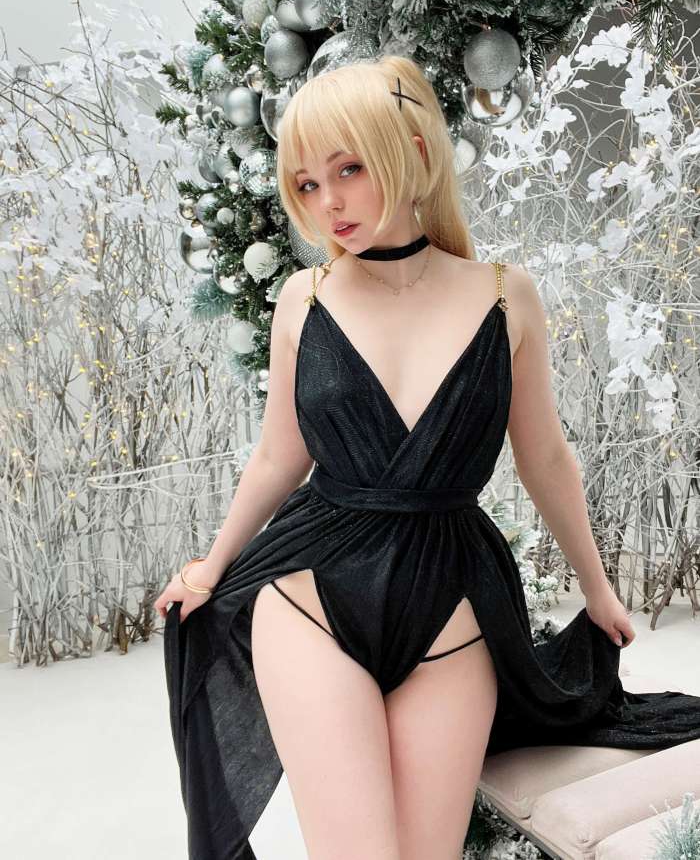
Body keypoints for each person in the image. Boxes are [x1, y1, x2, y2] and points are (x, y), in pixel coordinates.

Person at [154, 55, 700, 860]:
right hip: (312, 595)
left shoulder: (505, 294)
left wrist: (596, 586)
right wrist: (210, 566)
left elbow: (545, 457)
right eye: (306, 184)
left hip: (453, 598)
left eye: (348, 168)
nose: (328, 201)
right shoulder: (304, 298)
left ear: (412, 150)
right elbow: (277, 456)